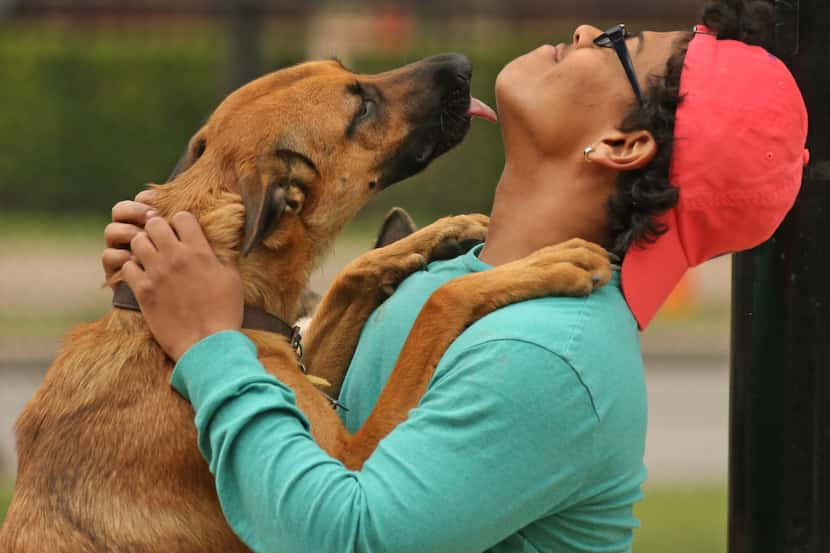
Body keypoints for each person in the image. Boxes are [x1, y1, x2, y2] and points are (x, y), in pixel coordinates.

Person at [102, 2, 808, 552]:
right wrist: (175, 286)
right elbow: (316, 423)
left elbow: (341, 536)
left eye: (619, 42)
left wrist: (207, 341)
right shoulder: (466, 270)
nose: (589, 28)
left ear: (624, 145)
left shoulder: (549, 356)